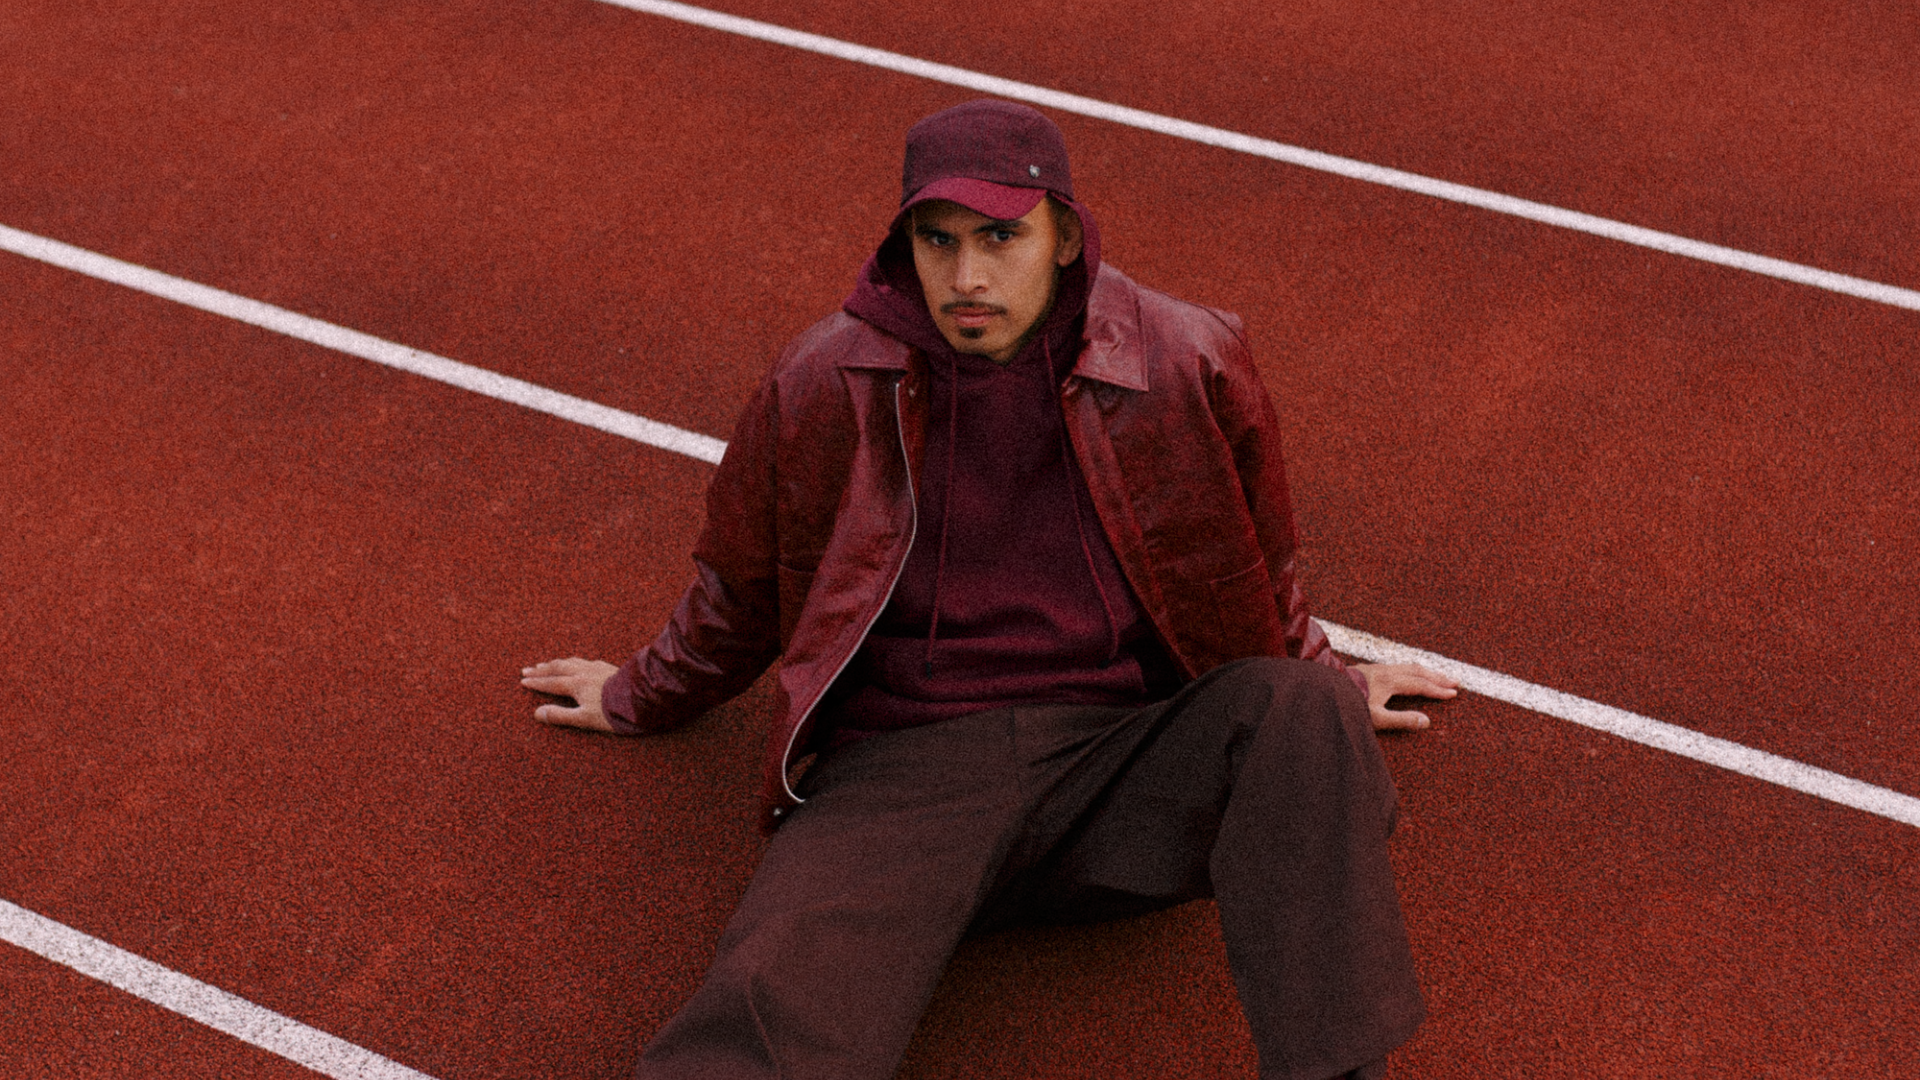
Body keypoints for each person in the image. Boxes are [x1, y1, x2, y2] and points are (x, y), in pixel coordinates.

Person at [520, 98, 1458, 1080]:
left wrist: (1332, 685)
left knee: (1300, 710)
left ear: (1064, 238)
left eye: (1000, 238)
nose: (967, 277)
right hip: (904, 776)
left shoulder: (1186, 357)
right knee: (760, 1011)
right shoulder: (824, 377)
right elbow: (742, 584)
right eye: (939, 241)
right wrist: (638, 693)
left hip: (1122, 764)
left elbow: (1256, 559)